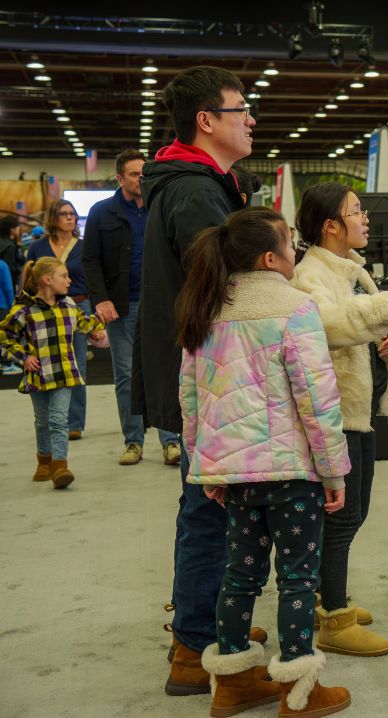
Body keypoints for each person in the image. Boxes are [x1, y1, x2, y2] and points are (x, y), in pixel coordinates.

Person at [177, 206, 353, 717]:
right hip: (292, 474)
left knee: (239, 577)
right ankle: (299, 691)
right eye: (290, 243)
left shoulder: (206, 307)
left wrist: (202, 468)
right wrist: (334, 469)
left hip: (234, 477)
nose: (295, 250)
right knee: (298, 577)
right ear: (269, 257)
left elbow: (191, 399)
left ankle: (231, 684)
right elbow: (318, 402)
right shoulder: (296, 310)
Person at [131, 65, 262, 696]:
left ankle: (205, 622)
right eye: (242, 110)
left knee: (208, 503)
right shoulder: (194, 193)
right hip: (209, 371)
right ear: (207, 120)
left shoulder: (198, 184)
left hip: (201, 368)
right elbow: (231, 288)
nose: (251, 120)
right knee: (212, 508)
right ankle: (194, 645)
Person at [291, 183, 388, 657]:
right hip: (338, 415)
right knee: (342, 519)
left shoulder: (354, 272)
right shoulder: (309, 276)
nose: (365, 219)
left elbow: (385, 325)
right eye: (356, 212)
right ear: (331, 225)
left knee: (355, 512)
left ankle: (329, 596)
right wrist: (383, 310)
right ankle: (333, 620)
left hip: (361, 413)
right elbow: (328, 324)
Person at [83, 149, 183, 466]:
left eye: (144, 173)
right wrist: (100, 298)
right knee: (126, 376)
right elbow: (90, 260)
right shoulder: (102, 212)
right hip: (120, 307)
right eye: (133, 174)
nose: (141, 179)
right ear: (119, 178)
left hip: (161, 304)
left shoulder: (161, 207)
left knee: (166, 371)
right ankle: (133, 443)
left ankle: (171, 442)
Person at [0, 257, 106, 489]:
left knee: (59, 420)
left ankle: (60, 466)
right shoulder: (23, 310)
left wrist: (97, 329)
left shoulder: (68, 305)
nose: (69, 281)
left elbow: (85, 324)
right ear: (47, 280)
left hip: (64, 374)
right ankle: (44, 460)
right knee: (42, 421)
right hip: (38, 376)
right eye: (64, 276)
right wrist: (23, 358)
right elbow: (4, 337)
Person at [26, 199, 89, 440]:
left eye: (72, 213)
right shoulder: (38, 247)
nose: (70, 217)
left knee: (77, 364)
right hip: (44, 311)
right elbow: (30, 279)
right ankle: (53, 417)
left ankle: (75, 423)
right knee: (48, 363)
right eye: (64, 214)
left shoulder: (83, 246)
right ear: (53, 218)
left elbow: (92, 275)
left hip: (77, 305)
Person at [0, 214, 22, 286]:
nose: (19, 228)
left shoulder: (4, 241)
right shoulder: (10, 247)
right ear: (12, 229)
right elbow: (9, 269)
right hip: (8, 282)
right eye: (17, 226)